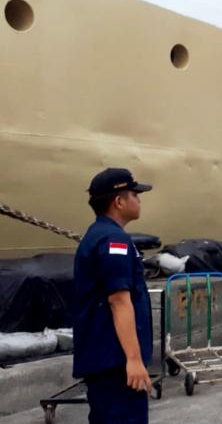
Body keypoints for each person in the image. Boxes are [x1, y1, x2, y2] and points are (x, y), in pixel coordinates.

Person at [73, 168, 154, 424]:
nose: (139, 200)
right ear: (119, 201)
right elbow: (119, 300)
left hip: (106, 358)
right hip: (115, 363)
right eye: (134, 194)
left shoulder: (99, 234)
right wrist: (133, 359)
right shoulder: (113, 240)